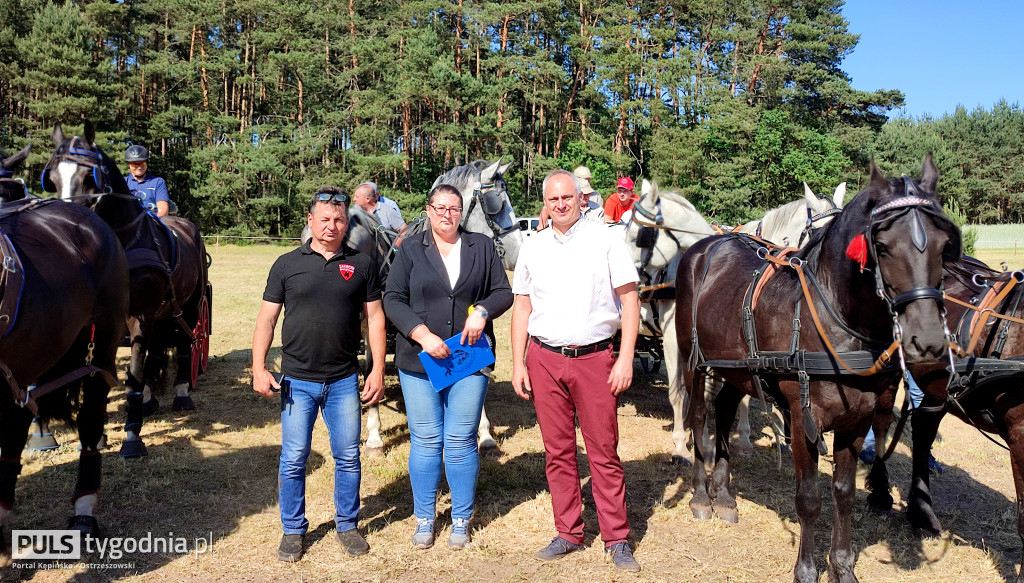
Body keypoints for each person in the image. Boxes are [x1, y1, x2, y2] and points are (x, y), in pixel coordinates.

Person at [510, 169, 642, 572]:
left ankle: (616, 538)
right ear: (545, 203)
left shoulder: (607, 240)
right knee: (558, 451)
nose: (561, 204)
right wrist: (518, 362)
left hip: (595, 359)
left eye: (568, 197)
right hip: (545, 359)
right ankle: (568, 532)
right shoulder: (532, 247)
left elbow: (631, 301)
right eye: (553, 199)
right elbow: (521, 307)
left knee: (603, 451)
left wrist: (625, 358)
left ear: (581, 199)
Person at [252, 186, 386, 562]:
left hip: (343, 380)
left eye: (339, 219)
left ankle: (347, 524)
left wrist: (376, 368)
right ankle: (293, 530)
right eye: (324, 219)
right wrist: (259, 367)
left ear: (348, 223)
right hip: (296, 381)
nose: (332, 226)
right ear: (310, 222)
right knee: (293, 458)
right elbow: (266, 319)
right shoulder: (286, 264)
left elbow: (375, 318)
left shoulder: (362, 265)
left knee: (348, 457)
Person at [383, 184, 513, 550]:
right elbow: (392, 298)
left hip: (468, 359)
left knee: (459, 440)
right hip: (419, 360)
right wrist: (421, 334)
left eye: (453, 208)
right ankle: (424, 517)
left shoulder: (482, 247)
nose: (446, 214)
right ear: (428, 210)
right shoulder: (410, 248)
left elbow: (503, 291)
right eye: (439, 207)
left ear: (462, 212)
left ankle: (460, 519)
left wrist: (482, 311)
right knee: (425, 441)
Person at [859, 375, 943, 473]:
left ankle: (924, 453)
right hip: (890, 360)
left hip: (916, 360)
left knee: (920, 393)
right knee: (878, 391)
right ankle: (869, 447)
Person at [124, 145, 170, 217]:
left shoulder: (158, 182)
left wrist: (152, 222)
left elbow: (163, 209)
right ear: (128, 165)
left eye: (142, 163)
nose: (139, 167)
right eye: (134, 164)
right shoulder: (123, 182)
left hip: (153, 221)